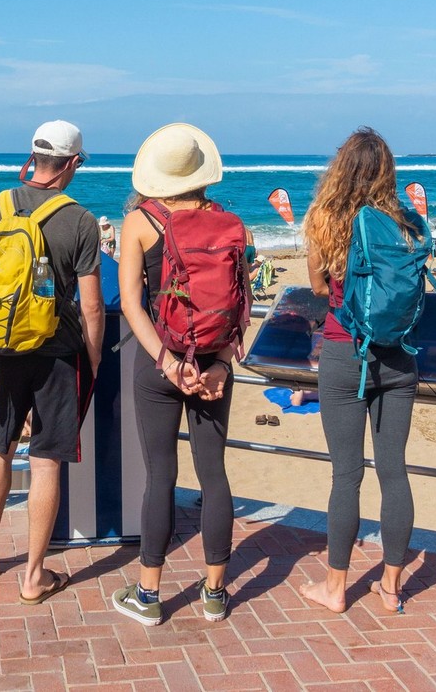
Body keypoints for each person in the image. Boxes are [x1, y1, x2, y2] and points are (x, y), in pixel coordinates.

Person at [0, 120, 103, 606]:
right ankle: (34, 577)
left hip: (2, 351)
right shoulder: (79, 220)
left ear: (33, 158)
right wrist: (92, 361)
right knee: (46, 459)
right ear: (73, 163)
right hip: (58, 355)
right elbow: (93, 307)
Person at [110, 124, 243, 626]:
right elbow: (237, 307)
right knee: (214, 474)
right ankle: (213, 593)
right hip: (213, 363)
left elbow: (130, 304)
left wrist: (168, 363)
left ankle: (148, 596)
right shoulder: (230, 223)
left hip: (159, 363)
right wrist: (220, 364)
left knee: (160, 474)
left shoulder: (139, 222)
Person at [296, 127, 425, 616]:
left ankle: (335, 588)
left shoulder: (326, 218)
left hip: (344, 351)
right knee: (394, 470)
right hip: (399, 355)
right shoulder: (405, 219)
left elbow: (316, 282)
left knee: (346, 475)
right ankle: (390, 588)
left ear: (340, 168)